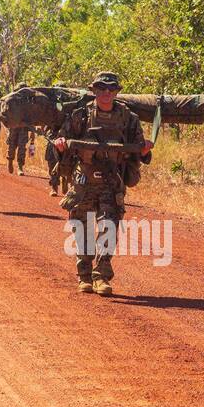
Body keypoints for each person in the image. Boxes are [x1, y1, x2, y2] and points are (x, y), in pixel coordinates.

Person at [53, 71, 152, 295]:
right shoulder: (80, 116)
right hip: (84, 181)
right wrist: (60, 146)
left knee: (109, 228)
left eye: (111, 89)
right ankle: (84, 275)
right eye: (101, 88)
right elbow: (62, 143)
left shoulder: (129, 119)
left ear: (117, 92)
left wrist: (145, 150)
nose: (106, 93)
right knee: (82, 230)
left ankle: (102, 276)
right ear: (94, 91)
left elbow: (140, 151)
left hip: (111, 181)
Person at [4, 82, 32, 175]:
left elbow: (32, 116)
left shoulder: (29, 102)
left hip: (24, 128)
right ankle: (10, 160)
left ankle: (20, 166)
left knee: (22, 147)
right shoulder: (12, 100)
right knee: (11, 146)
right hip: (13, 127)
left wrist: (32, 131)